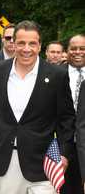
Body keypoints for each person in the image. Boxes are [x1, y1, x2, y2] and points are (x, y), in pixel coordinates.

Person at [0, 20, 75, 194]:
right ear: (13, 44)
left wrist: (64, 154)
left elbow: (66, 118)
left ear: (40, 45)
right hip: (4, 160)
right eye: (21, 43)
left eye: (32, 43)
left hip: (43, 162)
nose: (27, 49)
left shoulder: (57, 76)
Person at [62, 34, 85, 194]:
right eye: (73, 48)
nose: (78, 52)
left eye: (82, 48)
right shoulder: (56, 74)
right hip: (62, 144)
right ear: (67, 51)